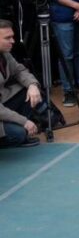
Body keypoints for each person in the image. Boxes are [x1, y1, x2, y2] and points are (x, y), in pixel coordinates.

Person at [0, 19, 42, 148]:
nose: (13, 41)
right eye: (8, 38)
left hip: (2, 101)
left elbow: (20, 70)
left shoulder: (5, 54)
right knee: (19, 134)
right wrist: (24, 122)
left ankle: (17, 126)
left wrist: (32, 85)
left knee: (29, 93)